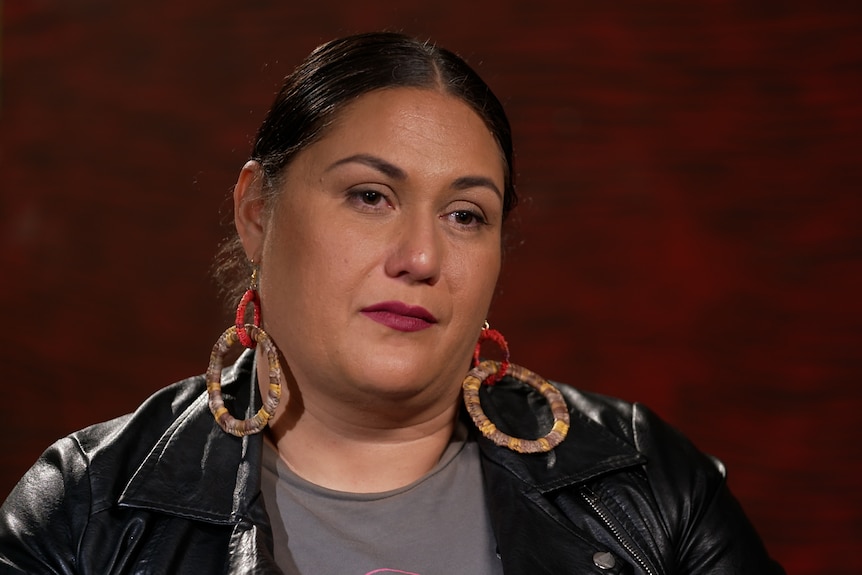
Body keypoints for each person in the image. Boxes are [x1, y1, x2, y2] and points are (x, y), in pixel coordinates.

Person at [0, 32, 783, 574]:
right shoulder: (89, 506)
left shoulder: (646, 484)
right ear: (256, 212)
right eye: (371, 196)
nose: (421, 258)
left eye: (466, 214)